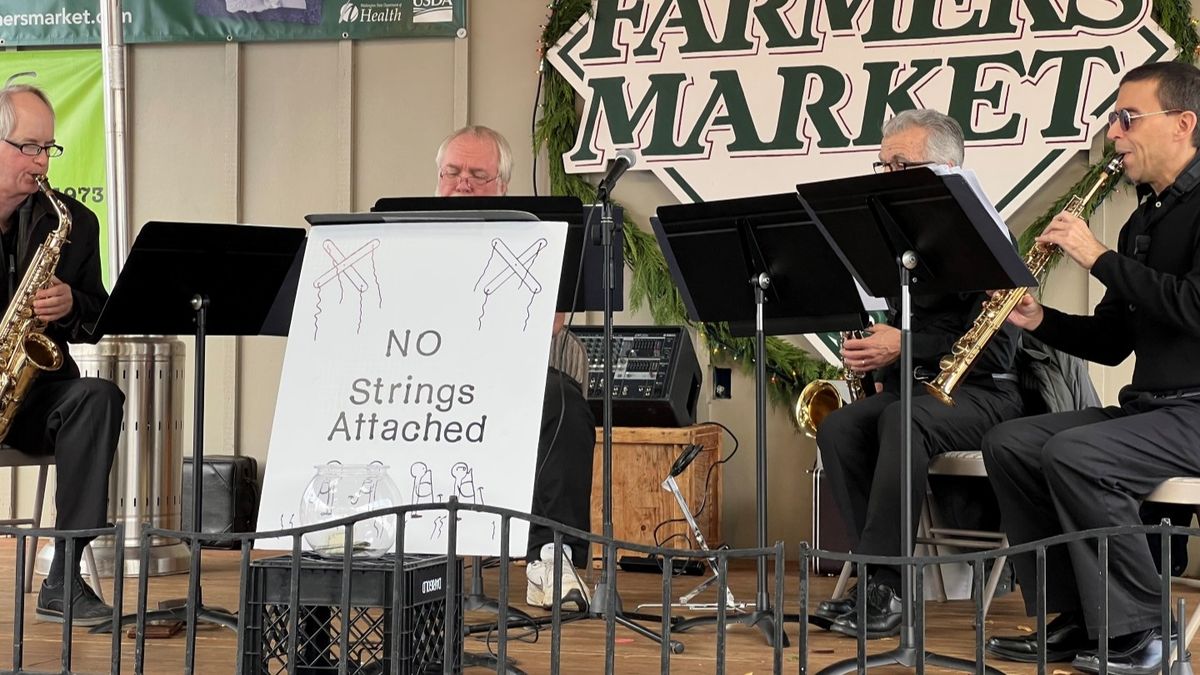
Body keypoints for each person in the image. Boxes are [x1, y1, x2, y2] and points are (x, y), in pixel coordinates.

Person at [982, 61, 1200, 674]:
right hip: (1154, 408)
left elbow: (1195, 307)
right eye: (1113, 119)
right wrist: (1039, 320)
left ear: (1184, 124)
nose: (1114, 133)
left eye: (1128, 118)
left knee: (1079, 455)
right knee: (1013, 443)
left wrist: (1097, 255)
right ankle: (1078, 616)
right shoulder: (1143, 220)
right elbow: (1112, 342)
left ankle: (1144, 635)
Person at [812, 109, 1025, 639]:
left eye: (900, 165)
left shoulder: (989, 237)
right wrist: (873, 349)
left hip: (986, 394)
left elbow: (996, 354)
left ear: (946, 171)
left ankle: (886, 589)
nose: (886, 178)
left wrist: (904, 344)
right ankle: (881, 581)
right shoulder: (894, 244)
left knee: (904, 420)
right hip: (922, 393)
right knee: (841, 426)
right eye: (882, 166)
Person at [435, 125, 596, 610]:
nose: (463, 182)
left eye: (478, 175)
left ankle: (553, 556)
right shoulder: (404, 233)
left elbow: (550, 324)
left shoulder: (536, 240)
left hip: (505, 381)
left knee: (563, 401)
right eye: (453, 172)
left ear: (502, 185)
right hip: (419, 380)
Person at [0, 84, 123, 626]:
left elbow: (95, 321)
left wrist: (73, 303)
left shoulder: (71, 223)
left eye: (49, 147)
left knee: (97, 398)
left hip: (30, 394)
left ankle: (64, 575)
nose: (43, 161)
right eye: (29, 147)